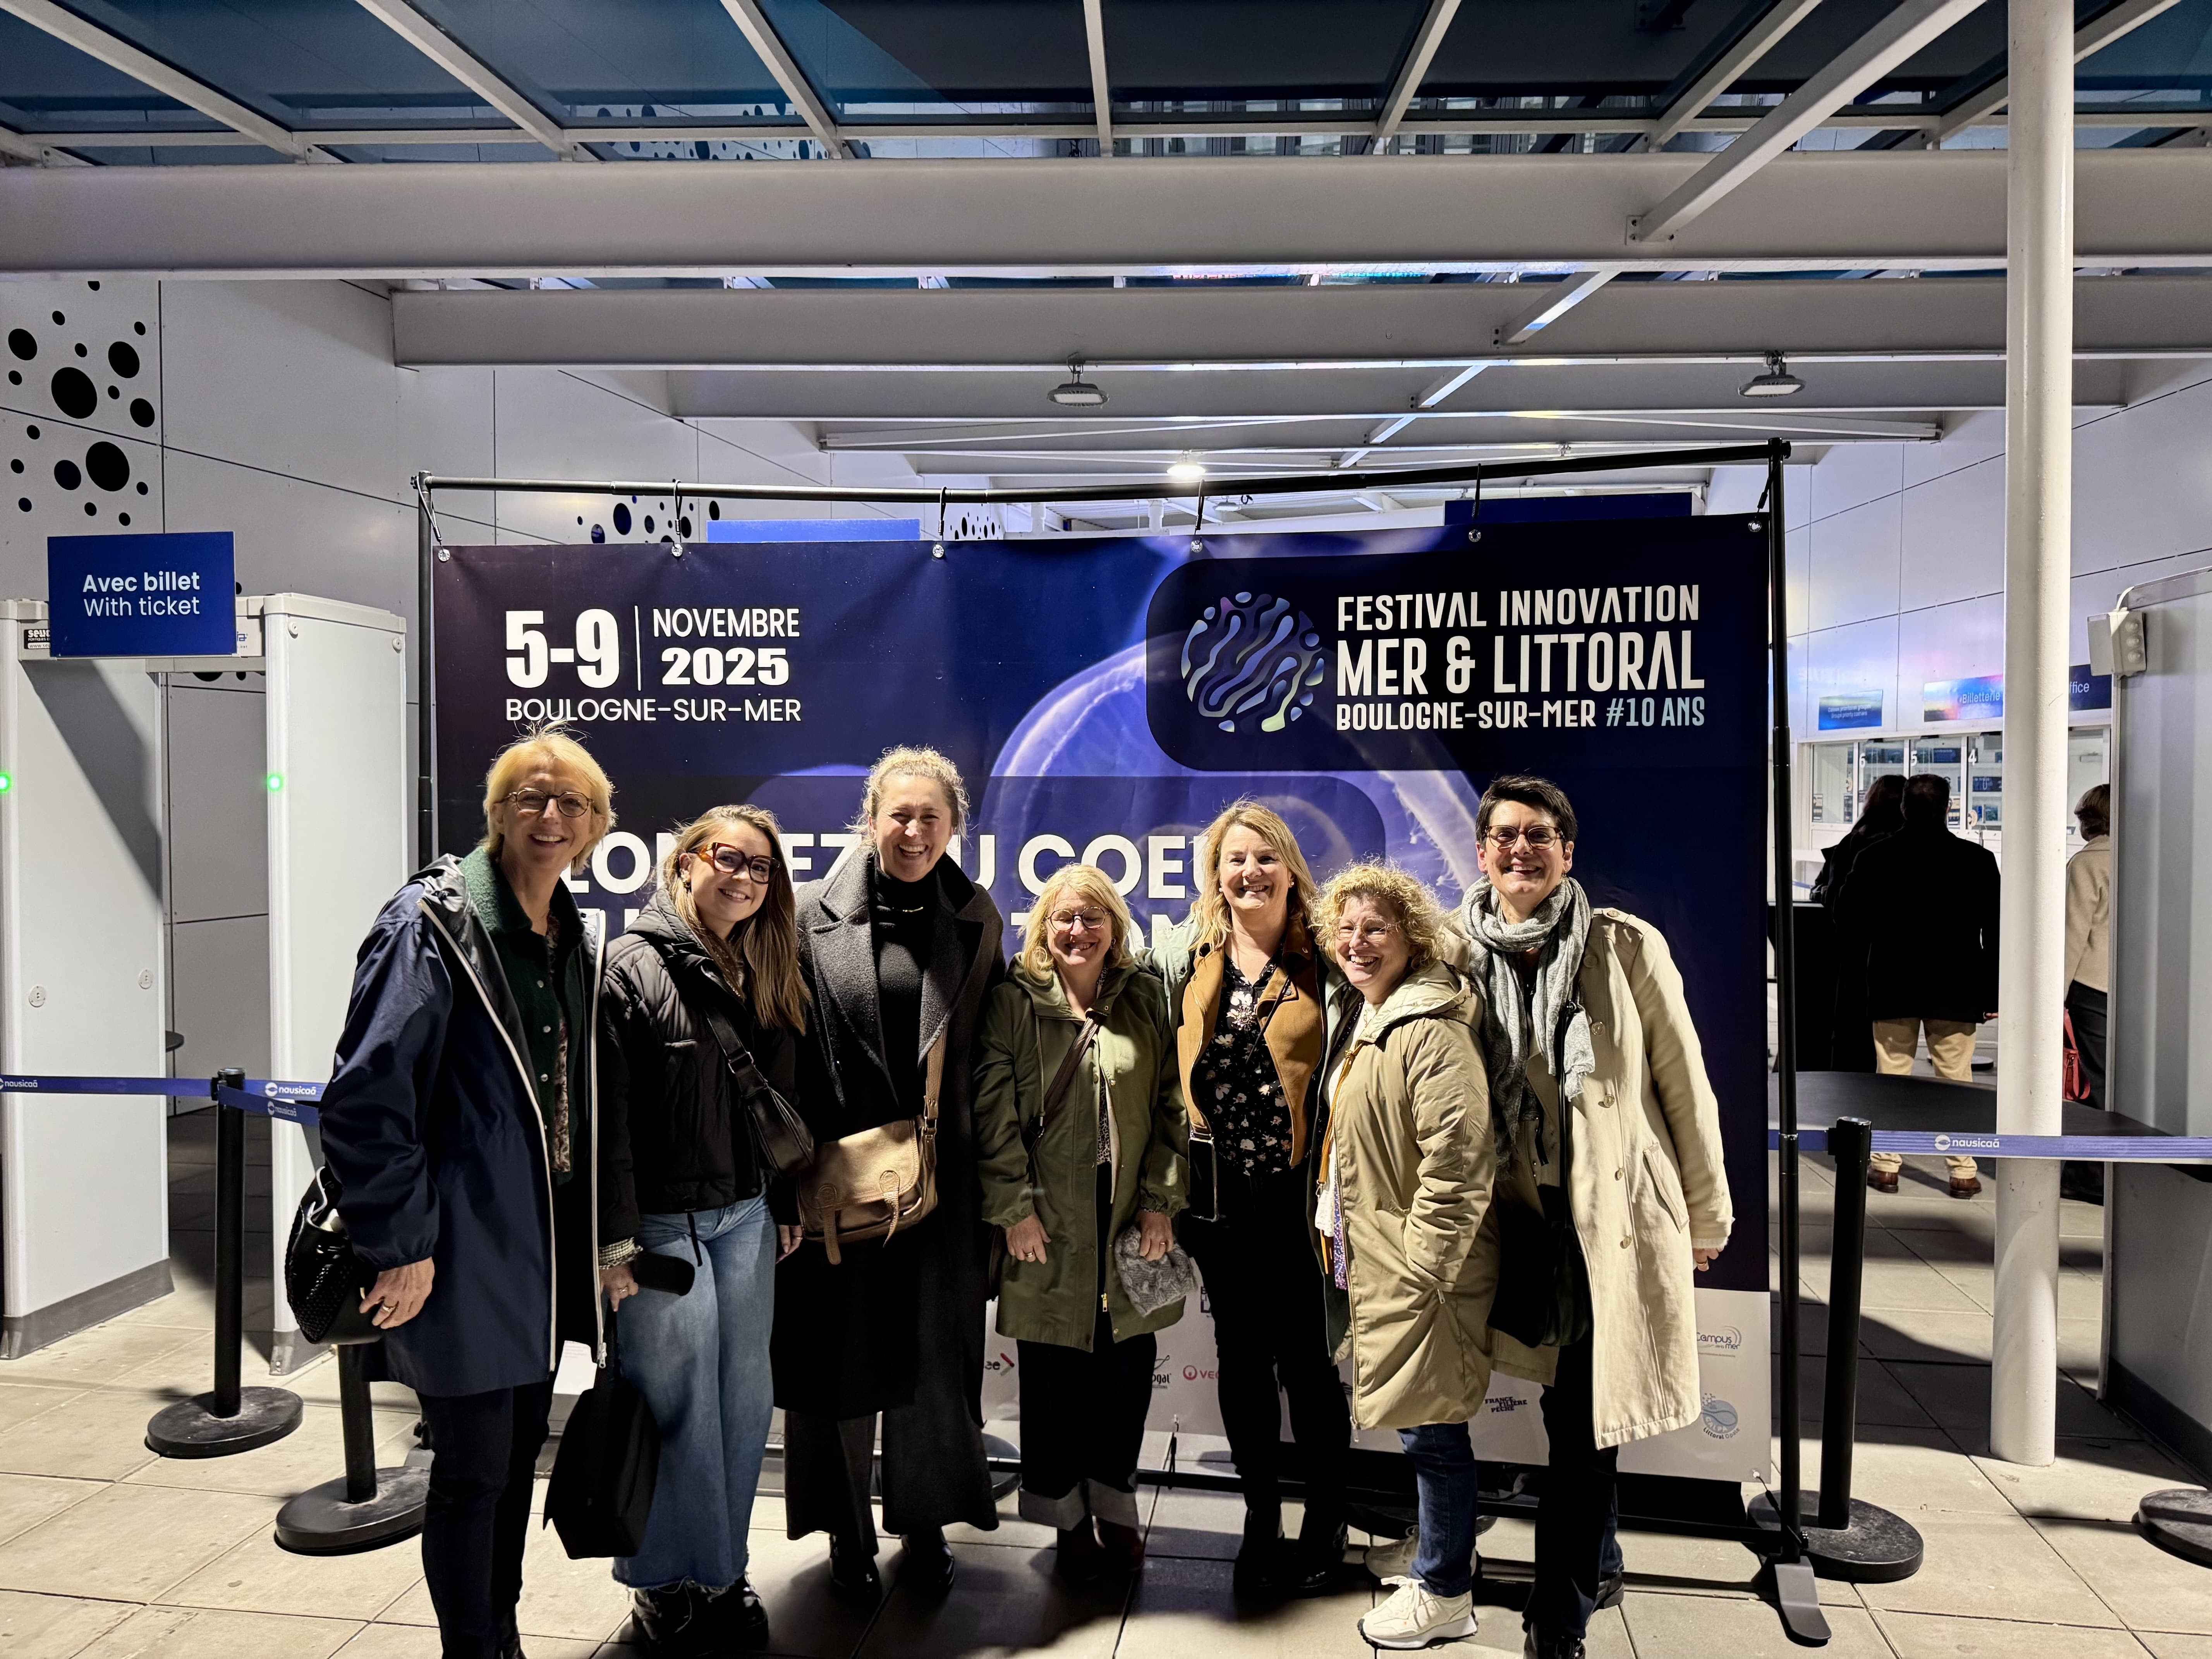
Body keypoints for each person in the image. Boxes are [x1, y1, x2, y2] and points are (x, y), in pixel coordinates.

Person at [318, 726, 614, 1659]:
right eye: (531, 797)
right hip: (458, 1249)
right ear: (497, 812)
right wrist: (401, 1243)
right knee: (473, 1470)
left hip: (538, 1252)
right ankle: (474, 1649)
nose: (550, 817)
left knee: (517, 1458)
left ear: (596, 826)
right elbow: (367, 1098)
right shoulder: (431, 924)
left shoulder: (570, 935)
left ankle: (501, 1634)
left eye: (571, 804)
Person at [1454, 775, 1733, 1659]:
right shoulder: (1453, 955)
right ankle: (1600, 1554)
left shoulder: (1622, 946)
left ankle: (1559, 1615)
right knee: (1556, 1410)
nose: (1521, 850)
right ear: (1481, 853)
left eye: (1539, 835)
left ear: (1567, 853)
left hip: (1603, 1221)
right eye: (1505, 835)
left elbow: (1684, 1085)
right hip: (1512, 1220)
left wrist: (1706, 1213)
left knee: (1584, 1425)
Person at [772, 746, 1004, 1602]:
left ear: (954, 826)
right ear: (870, 819)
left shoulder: (977, 917)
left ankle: (926, 1518)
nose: (913, 831)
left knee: (935, 1363)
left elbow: (987, 1056)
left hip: (942, 1185)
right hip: (836, 1180)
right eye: (899, 814)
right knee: (837, 1362)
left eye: (930, 817)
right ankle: (845, 1528)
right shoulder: (803, 914)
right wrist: (788, 1177)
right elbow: (782, 1052)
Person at [595, 805, 808, 1654]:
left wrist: (784, 1203)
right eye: (730, 858)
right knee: (674, 1405)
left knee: (742, 1405)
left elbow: (776, 1107)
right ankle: (658, 1580)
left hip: (746, 1216)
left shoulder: (766, 963)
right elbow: (605, 1125)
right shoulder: (628, 965)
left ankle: (718, 1572)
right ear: (685, 861)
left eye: (761, 867)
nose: (746, 878)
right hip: (660, 1227)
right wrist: (615, 1243)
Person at [1152, 800, 1358, 1597]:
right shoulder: (1186, 953)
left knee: (1308, 1363)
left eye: (1266, 857)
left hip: (1301, 1202)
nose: (1250, 872)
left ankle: (1327, 1519)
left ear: (1291, 870)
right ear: (1215, 873)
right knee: (1241, 1360)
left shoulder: (1329, 956)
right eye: (1235, 859)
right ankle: (1261, 1515)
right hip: (1217, 1203)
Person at [974, 863, 1188, 1580]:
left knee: (1126, 1376)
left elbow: (1172, 1106)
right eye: (1064, 917)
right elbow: (993, 1115)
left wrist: (1160, 1200)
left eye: (1093, 917)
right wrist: (1014, 1210)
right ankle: (1064, 1519)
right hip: (1045, 1219)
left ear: (1114, 928)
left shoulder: (1145, 997)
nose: (1078, 930)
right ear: (1044, 926)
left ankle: (1116, 1507)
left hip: (1127, 1217)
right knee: (1052, 1382)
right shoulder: (1014, 1002)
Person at [1313, 864, 1494, 1652]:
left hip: (1421, 1271)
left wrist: (1426, 1270)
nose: (1357, 943)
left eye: (1375, 929)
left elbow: (1459, 1161)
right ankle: (1436, 1551)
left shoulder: (1430, 1029)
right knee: (1423, 1423)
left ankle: (1446, 1592)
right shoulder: (1377, 1012)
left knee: (1434, 1431)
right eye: (1346, 929)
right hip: (1382, 1256)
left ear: (1412, 937)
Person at [1837, 772, 2001, 1197]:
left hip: (1894, 981)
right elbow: (1996, 931)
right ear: (1948, 808)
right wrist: (1992, 992)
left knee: (1892, 1073)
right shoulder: (1978, 860)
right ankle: (1962, 1171)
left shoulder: (1875, 857)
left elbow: (1846, 916)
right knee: (1956, 1079)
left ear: (1904, 808)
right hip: (1956, 985)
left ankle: (1886, 1166)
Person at [1813, 774, 1906, 1073]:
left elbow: (1834, 898)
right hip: (1901, 958)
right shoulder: (1908, 845)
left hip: (1855, 954)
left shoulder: (1854, 843)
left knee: (1853, 1036)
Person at [2061, 783, 2112, 1202]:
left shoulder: (2087, 863)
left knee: (2092, 1082)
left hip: (2093, 988)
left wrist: (2055, 996)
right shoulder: (2147, 855)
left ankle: (2088, 1175)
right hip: (2136, 988)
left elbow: (2073, 934)